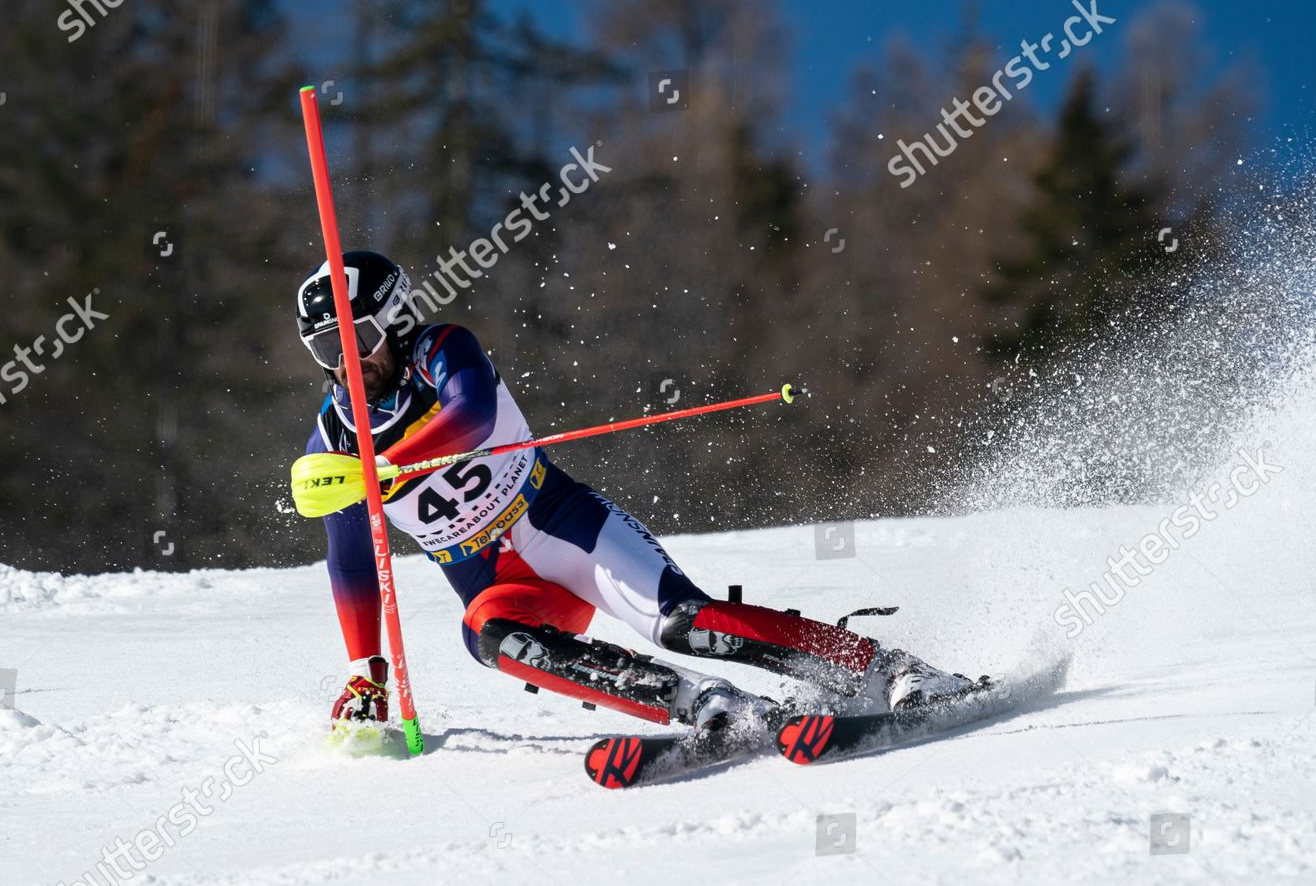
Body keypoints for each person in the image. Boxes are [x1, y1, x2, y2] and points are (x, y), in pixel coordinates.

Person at [298, 250, 973, 734]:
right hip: (496, 583)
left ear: (398, 316)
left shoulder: (440, 350)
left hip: (563, 526)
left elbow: (470, 413)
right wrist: (367, 669)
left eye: (359, 336)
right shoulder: (334, 438)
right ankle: (704, 705)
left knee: (687, 624)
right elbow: (351, 558)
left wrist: (386, 463)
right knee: (491, 637)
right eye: (327, 346)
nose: (347, 360)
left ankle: (886, 668)